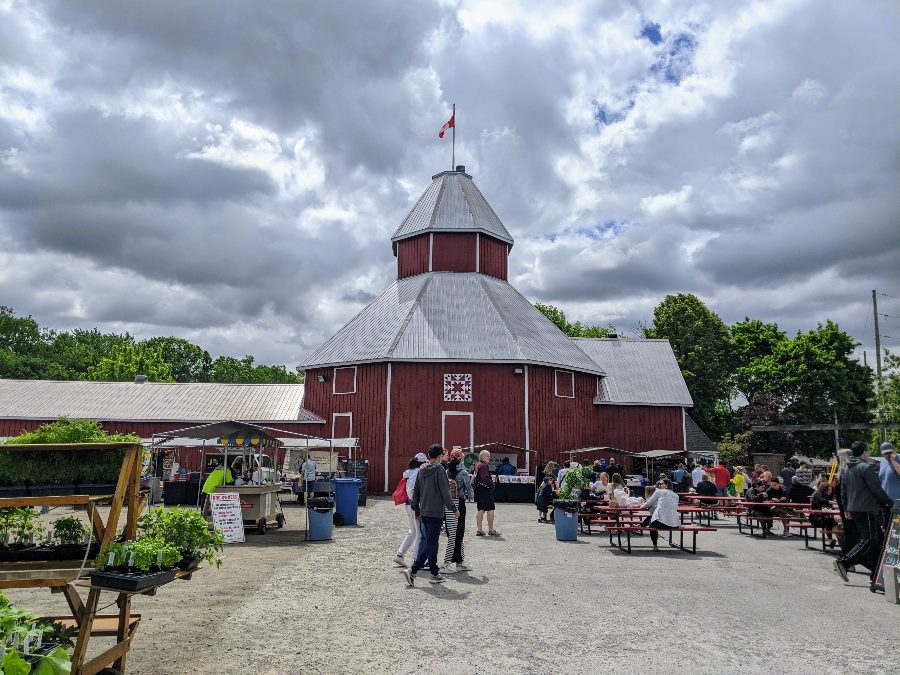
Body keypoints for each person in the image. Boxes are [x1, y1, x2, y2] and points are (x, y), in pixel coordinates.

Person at [833, 442, 893, 589]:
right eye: (868, 451)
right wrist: (889, 503)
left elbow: (844, 490)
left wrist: (847, 507)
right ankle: (844, 562)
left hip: (854, 508)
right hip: (866, 508)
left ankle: (873, 573)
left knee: (870, 539)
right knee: (869, 539)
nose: (869, 453)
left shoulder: (847, 468)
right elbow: (877, 489)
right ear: (864, 452)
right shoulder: (865, 468)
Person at [404, 444, 459, 586]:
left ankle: (434, 573)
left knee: (431, 542)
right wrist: (454, 509)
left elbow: (416, 490)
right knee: (432, 543)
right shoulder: (439, 470)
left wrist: (416, 509)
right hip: (435, 512)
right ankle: (413, 570)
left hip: (423, 511)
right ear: (440, 456)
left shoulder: (422, 469)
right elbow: (445, 492)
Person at [440, 449, 472, 574]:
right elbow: (469, 489)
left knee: (454, 533)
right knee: (457, 534)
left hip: (448, 504)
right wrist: (472, 496)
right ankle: (447, 563)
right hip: (460, 503)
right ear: (461, 459)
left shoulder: (446, 472)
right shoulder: (463, 472)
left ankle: (459, 561)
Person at [393, 452, 426, 568]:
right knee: (419, 534)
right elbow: (411, 490)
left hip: (409, 505)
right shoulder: (417, 473)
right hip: (414, 505)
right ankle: (417, 560)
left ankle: (400, 555)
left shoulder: (409, 472)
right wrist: (417, 505)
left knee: (413, 532)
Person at [641, 478, 680, 552]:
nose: (659, 485)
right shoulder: (676, 496)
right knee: (653, 517)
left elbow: (649, 503)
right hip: (674, 524)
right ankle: (640, 526)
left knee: (652, 524)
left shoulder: (659, 491)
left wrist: (641, 506)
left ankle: (655, 545)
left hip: (662, 523)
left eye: (661, 484)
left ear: (666, 485)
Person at [474, 450, 500, 536]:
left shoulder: (477, 464)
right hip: (485, 489)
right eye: (488, 456)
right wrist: (492, 484)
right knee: (490, 509)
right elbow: (485, 478)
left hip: (478, 489)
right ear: (483, 457)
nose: (489, 457)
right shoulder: (484, 465)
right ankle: (491, 530)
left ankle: (479, 530)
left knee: (480, 509)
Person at [809, 481, 839, 548]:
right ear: (823, 489)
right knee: (828, 520)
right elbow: (821, 500)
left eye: (831, 490)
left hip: (825, 518)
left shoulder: (829, 497)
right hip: (815, 518)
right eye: (828, 490)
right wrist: (829, 502)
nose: (830, 491)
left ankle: (839, 539)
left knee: (832, 521)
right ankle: (833, 540)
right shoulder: (817, 495)